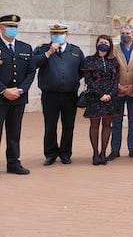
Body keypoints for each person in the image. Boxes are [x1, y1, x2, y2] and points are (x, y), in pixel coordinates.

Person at [33, 23, 85, 166]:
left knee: (68, 125)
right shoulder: (42, 49)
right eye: (54, 34)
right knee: (50, 125)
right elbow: (33, 64)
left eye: (60, 34)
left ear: (67, 35)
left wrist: (72, 80)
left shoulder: (75, 50)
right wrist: (49, 53)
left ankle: (65, 153)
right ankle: (50, 154)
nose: (57, 36)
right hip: (50, 95)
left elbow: (82, 70)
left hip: (69, 95)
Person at [0, 14, 35, 175]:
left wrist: (21, 90)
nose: (13, 29)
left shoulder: (25, 48)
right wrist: (4, 90)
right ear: (1, 27)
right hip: (1, 97)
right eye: (9, 26)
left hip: (18, 98)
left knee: (14, 132)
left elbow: (31, 72)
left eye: (15, 27)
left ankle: (13, 163)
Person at [109, 23, 133, 160]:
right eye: (123, 33)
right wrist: (117, 85)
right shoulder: (113, 49)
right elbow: (110, 70)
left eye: (127, 33)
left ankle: (132, 148)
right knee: (116, 122)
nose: (125, 35)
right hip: (117, 90)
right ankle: (115, 149)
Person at [81, 35, 119, 165]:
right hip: (95, 97)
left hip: (110, 97)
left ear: (110, 45)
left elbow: (116, 80)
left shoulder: (114, 61)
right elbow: (88, 80)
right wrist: (100, 94)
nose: (103, 44)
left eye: (106, 43)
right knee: (94, 125)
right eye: (101, 42)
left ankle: (103, 152)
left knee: (107, 125)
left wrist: (110, 94)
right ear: (97, 44)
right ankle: (95, 153)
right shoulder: (89, 60)